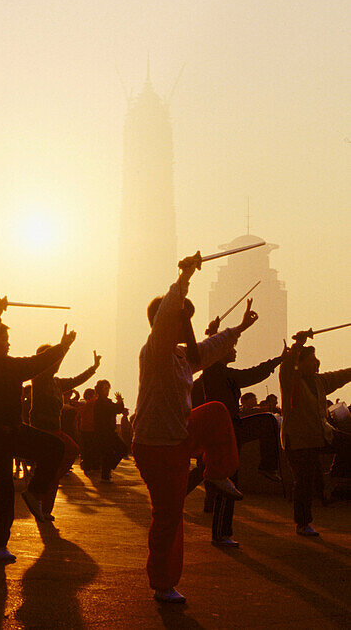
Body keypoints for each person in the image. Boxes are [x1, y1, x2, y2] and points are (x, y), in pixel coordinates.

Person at [132, 251, 255, 604]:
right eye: (176, 320)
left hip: (180, 436)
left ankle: (216, 473)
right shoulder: (152, 352)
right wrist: (185, 277)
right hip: (155, 447)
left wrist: (240, 328)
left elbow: (212, 346)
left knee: (216, 412)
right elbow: (169, 313)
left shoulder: (182, 357)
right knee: (168, 517)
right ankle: (163, 583)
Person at [0, 297, 76, 564]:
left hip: (13, 431)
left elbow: (38, 362)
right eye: (4, 340)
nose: (8, 344)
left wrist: (63, 347)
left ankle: (34, 491)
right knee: (2, 490)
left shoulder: (11, 366)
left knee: (55, 448)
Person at [189, 310, 282, 546]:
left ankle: (267, 467)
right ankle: (221, 533)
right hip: (222, 434)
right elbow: (250, 372)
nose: (235, 350)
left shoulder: (223, 373)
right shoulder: (214, 371)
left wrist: (278, 360)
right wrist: (213, 334)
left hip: (234, 428)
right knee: (229, 481)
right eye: (230, 347)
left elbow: (252, 373)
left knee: (269, 422)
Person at [279, 330, 351, 537]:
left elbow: (342, 375)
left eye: (317, 359)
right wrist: (298, 345)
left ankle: (335, 479)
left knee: (348, 444)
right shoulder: (290, 379)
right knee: (304, 482)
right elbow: (287, 365)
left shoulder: (320, 382)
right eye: (312, 360)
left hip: (321, 436)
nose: (317, 363)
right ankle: (302, 524)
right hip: (298, 441)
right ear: (300, 364)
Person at [28, 348, 99, 499]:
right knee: (51, 471)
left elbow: (76, 380)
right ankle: (41, 502)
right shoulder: (39, 379)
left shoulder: (57, 382)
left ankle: (44, 495)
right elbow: (51, 366)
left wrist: (93, 368)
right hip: (43, 430)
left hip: (55, 430)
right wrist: (63, 347)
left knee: (72, 450)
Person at [93, 381, 129, 483]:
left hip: (108, 432)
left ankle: (106, 474)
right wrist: (119, 403)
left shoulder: (106, 401)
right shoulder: (100, 402)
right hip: (104, 432)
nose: (107, 390)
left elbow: (117, 409)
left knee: (111, 453)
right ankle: (106, 475)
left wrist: (120, 402)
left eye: (108, 388)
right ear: (100, 390)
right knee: (116, 451)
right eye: (105, 388)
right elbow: (115, 409)